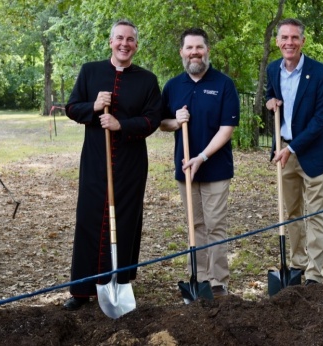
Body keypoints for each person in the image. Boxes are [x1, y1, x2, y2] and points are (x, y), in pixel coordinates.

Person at [63, 19, 162, 310]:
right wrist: (93, 108)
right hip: (95, 159)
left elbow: (152, 119)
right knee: (89, 218)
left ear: (136, 45)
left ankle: (120, 282)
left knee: (127, 219)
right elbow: (71, 107)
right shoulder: (90, 71)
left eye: (130, 39)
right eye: (119, 38)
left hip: (131, 163)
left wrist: (121, 124)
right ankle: (81, 290)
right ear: (110, 42)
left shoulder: (147, 80)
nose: (124, 44)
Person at [160, 28, 240, 297]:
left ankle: (218, 282)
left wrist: (202, 157)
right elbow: (162, 123)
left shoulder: (224, 84)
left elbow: (226, 129)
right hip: (185, 169)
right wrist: (176, 120)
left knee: (215, 224)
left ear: (207, 51)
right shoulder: (172, 86)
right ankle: (200, 279)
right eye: (189, 48)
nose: (195, 52)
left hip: (215, 169)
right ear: (182, 52)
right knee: (196, 225)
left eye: (199, 47)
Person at [265, 18, 323, 286]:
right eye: (284, 38)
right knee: (291, 213)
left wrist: (292, 148)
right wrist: (270, 101)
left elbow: (320, 120)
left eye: (294, 38)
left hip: (311, 153)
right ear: (278, 41)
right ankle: (296, 265)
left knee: (316, 214)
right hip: (284, 151)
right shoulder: (273, 70)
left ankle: (315, 274)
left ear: (303, 41)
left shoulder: (320, 73)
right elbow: (272, 96)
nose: (289, 42)